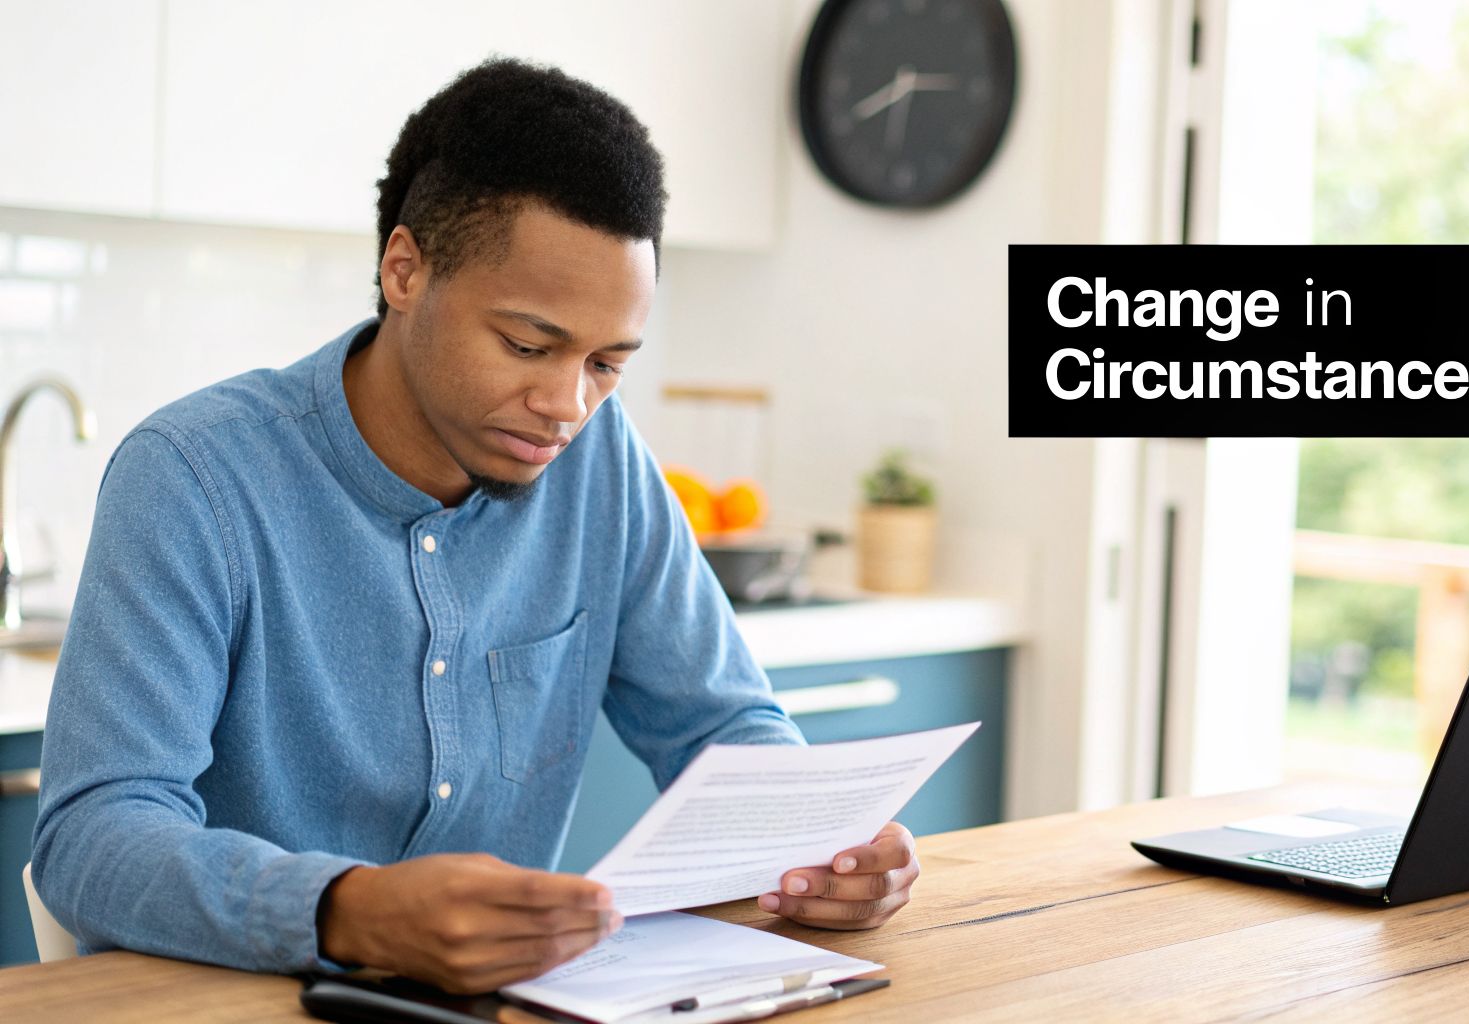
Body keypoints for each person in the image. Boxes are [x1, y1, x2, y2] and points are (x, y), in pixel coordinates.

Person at [30, 56, 919, 995]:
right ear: (404, 269)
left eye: (608, 363)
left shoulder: (601, 461)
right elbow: (93, 838)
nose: (566, 404)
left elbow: (725, 722)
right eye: (529, 346)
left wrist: (817, 844)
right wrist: (348, 910)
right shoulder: (194, 477)